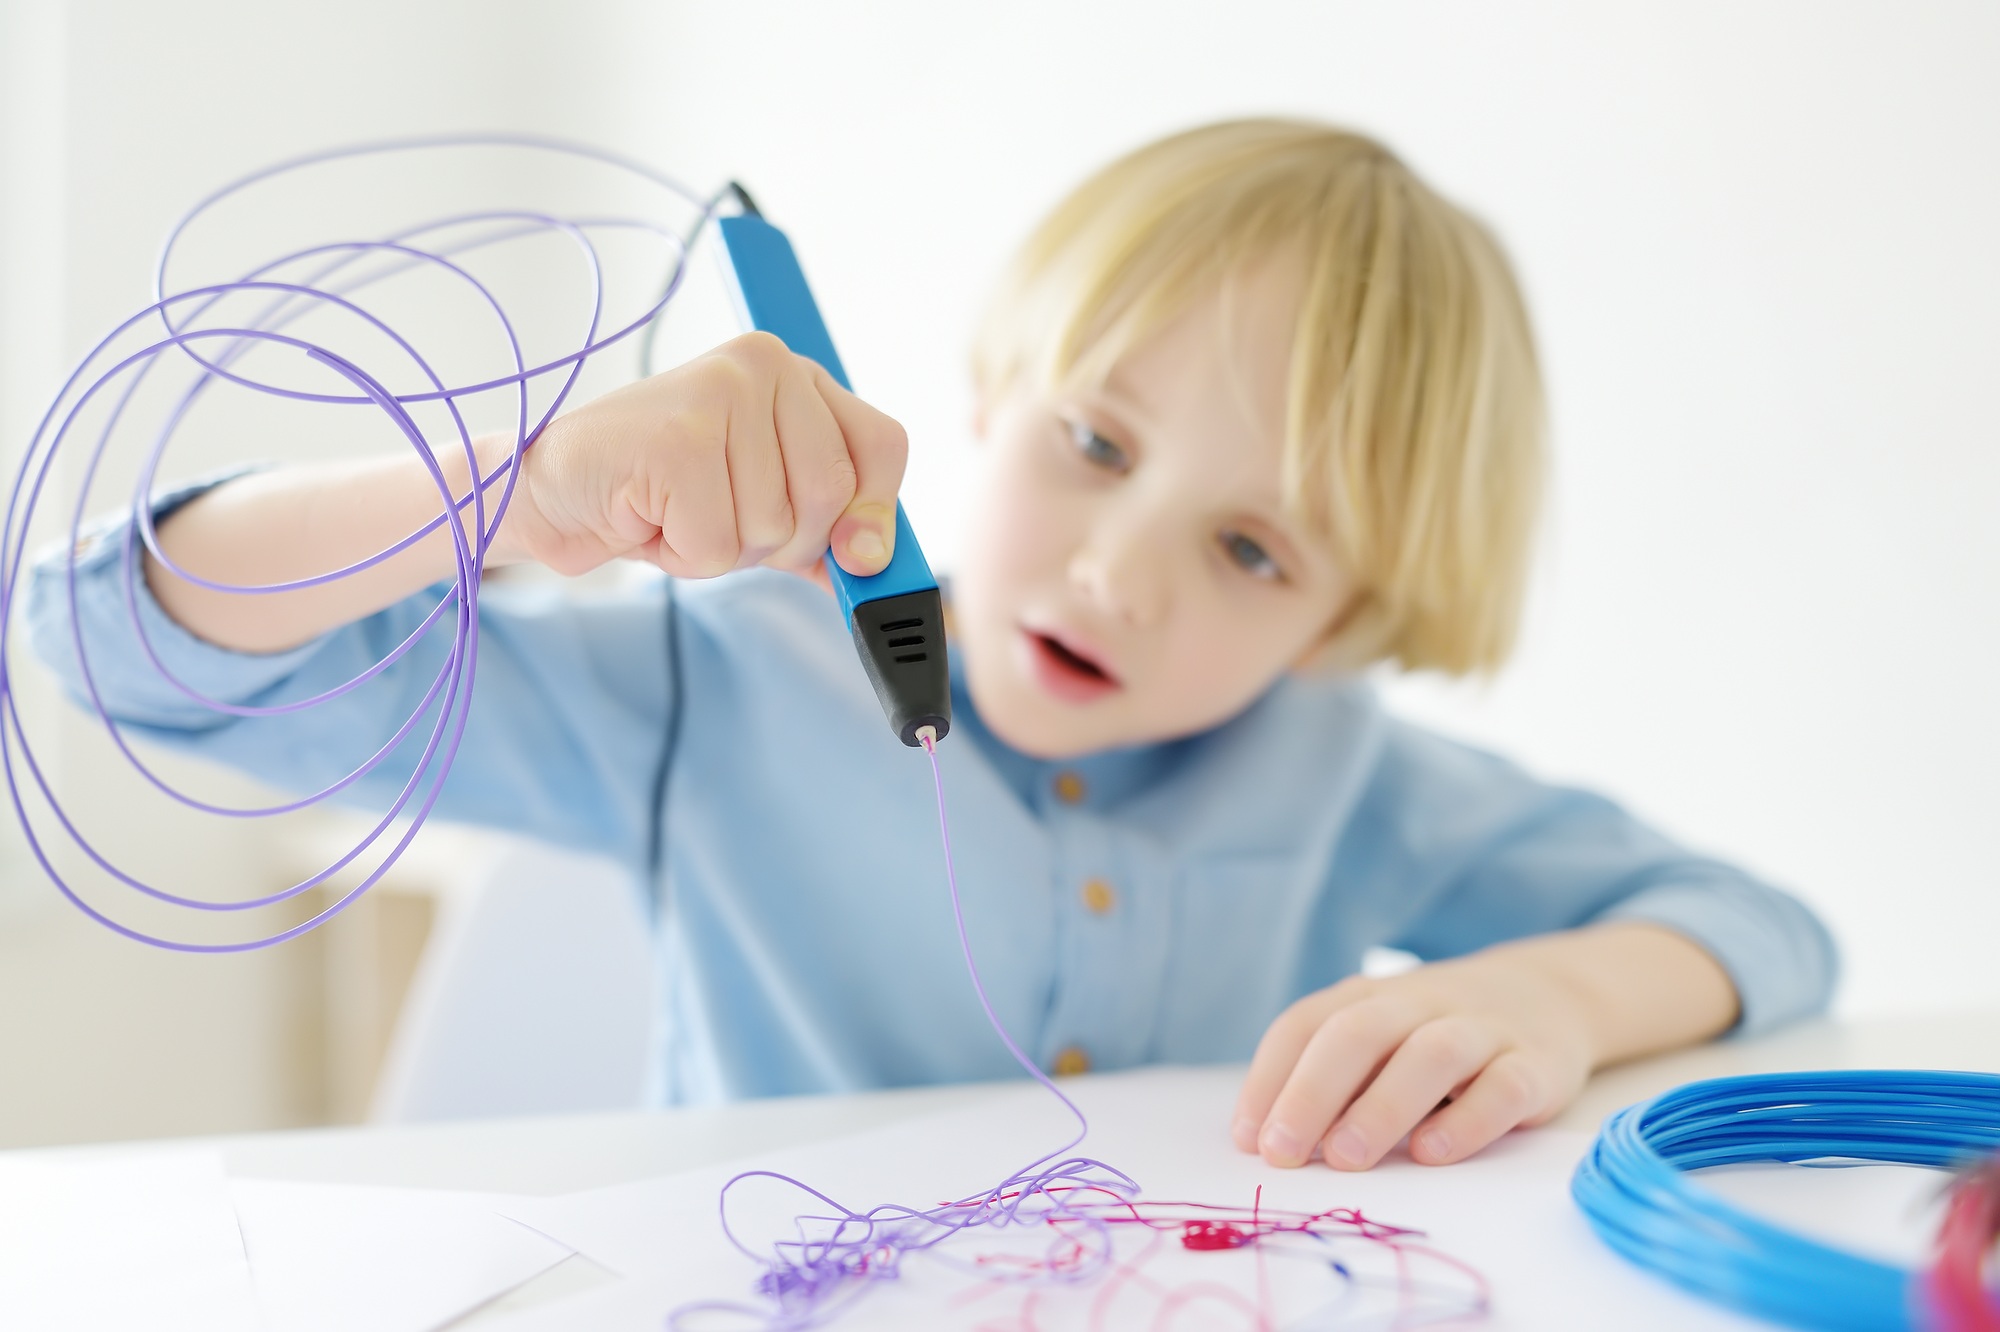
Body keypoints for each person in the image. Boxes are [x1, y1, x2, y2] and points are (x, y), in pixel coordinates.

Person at [28, 119, 1835, 1172]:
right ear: (990, 390)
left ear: (1351, 619)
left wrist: (1552, 993)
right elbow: (120, 648)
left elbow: (1767, 930)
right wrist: (509, 498)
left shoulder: (1346, 778)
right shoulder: (721, 679)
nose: (1126, 575)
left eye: (1252, 547)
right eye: (1099, 447)